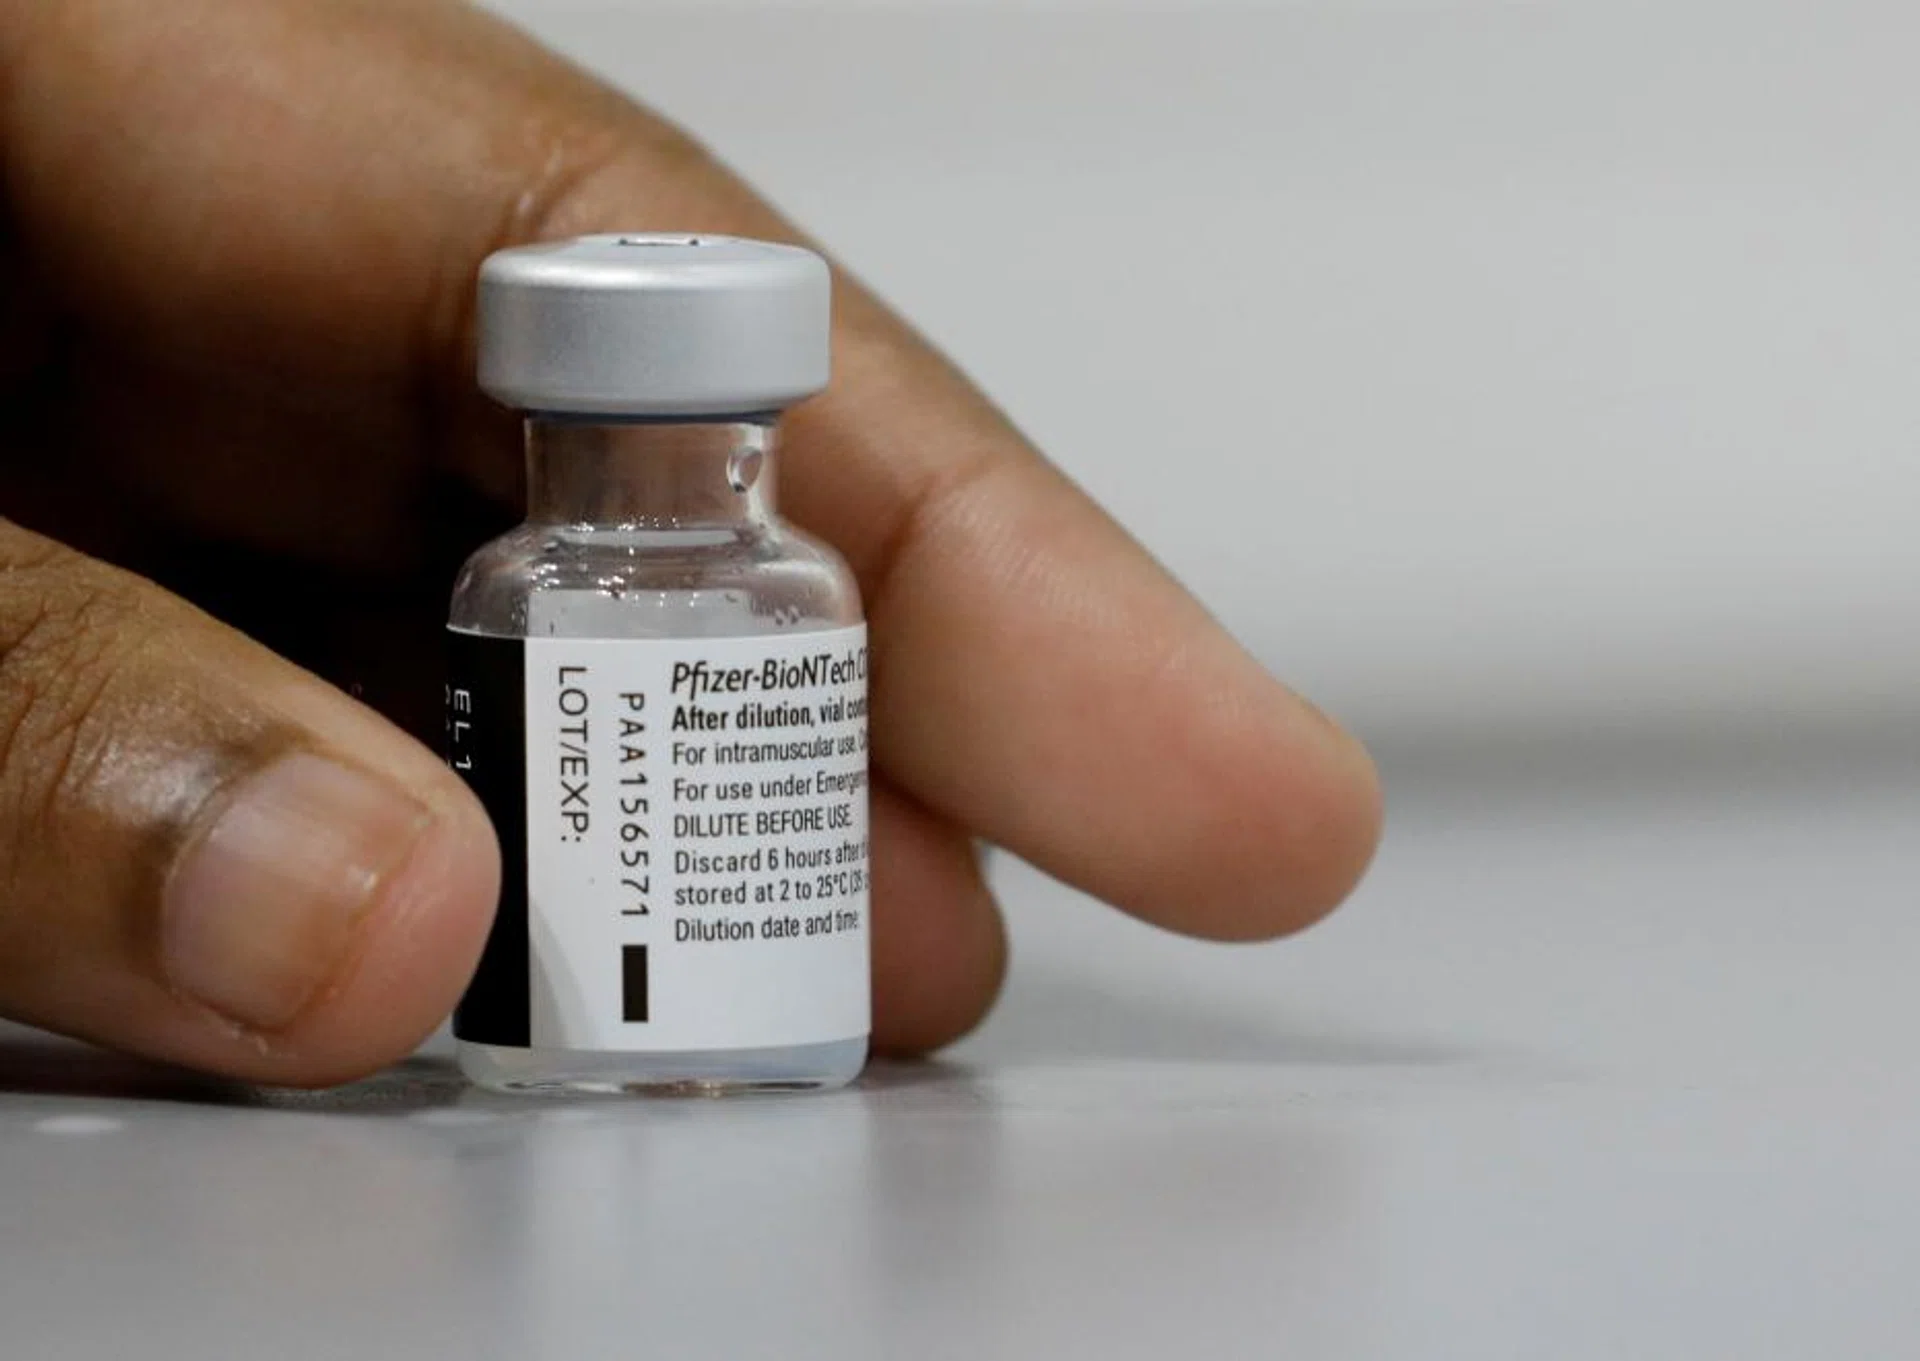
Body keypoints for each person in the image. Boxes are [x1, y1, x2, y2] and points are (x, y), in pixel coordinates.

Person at [0, 0, 1381, 1085]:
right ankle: (589, 1015)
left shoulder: (795, 589)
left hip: (758, 1049)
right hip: (544, 1045)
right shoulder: (519, 587)